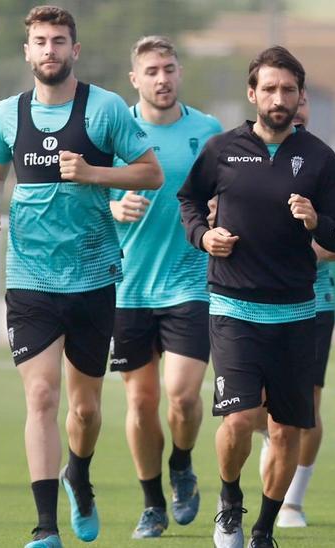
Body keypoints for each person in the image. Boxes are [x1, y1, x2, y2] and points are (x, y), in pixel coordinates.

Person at [0, 6, 163, 547]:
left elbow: (151, 171)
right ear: (28, 51)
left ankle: (79, 475)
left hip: (92, 278)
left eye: (59, 41)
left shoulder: (103, 109)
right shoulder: (6, 114)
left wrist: (93, 173)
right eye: (41, 41)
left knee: (84, 408)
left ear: (74, 50)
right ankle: (45, 527)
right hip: (29, 278)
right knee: (41, 398)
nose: (50, 50)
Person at [178, 46, 335, 548]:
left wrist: (316, 222)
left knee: (286, 431)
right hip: (233, 307)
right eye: (270, 88)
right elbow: (189, 199)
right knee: (237, 418)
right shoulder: (221, 149)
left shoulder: (321, 159)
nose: (279, 98)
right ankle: (230, 502)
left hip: (297, 312)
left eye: (288, 89)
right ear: (252, 93)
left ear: (301, 96)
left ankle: (262, 529)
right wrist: (203, 237)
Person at [108, 35, 223, 539]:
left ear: (179, 73)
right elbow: (84, 195)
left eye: (169, 69)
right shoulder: (113, 131)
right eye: (151, 71)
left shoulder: (208, 131)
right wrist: (112, 206)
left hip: (189, 283)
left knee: (181, 395)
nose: (162, 79)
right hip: (126, 287)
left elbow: (224, 194)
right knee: (140, 403)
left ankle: (182, 461)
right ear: (135, 79)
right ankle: (153, 502)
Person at [255, 95, 335, 529]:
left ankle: (292, 502)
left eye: (298, 101)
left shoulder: (328, 166)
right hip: (253, 301)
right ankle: (274, 448)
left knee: (305, 409)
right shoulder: (244, 160)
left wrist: (311, 252)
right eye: (279, 95)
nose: (290, 108)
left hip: (312, 303)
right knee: (255, 411)